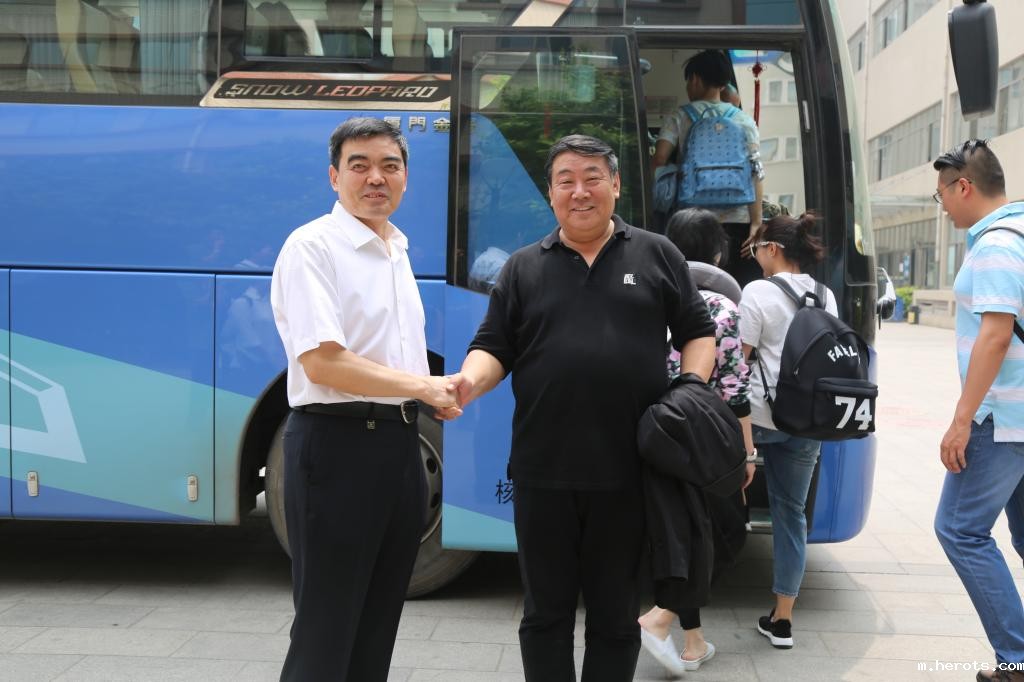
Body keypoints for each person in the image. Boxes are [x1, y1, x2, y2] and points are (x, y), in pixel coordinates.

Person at [440, 135, 717, 681]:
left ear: (616, 184)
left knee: (615, 616)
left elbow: (698, 331)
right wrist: (467, 382)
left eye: (592, 178)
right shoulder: (523, 267)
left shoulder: (657, 254)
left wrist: (689, 390)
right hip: (543, 470)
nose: (579, 191)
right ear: (550, 194)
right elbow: (493, 346)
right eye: (565, 180)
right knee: (545, 613)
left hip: (630, 469)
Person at [269, 117, 459, 682]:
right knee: (325, 632)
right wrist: (421, 386)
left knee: (376, 628)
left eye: (390, 166)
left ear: (406, 177)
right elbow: (322, 362)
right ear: (334, 177)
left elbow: (391, 355)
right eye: (360, 166)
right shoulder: (313, 247)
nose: (376, 178)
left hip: (398, 448)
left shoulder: (395, 249)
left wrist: (430, 394)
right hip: (337, 449)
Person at [638, 207, 756, 676]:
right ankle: (659, 616)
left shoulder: (647, 294)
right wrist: (747, 454)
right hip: (700, 438)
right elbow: (734, 389)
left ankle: (694, 641)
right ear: (718, 254)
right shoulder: (722, 308)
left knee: (682, 533)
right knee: (724, 535)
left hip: (650, 432)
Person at [930, 139, 1024, 682]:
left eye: (942, 192)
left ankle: (1017, 659)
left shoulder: (996, 244)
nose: (942, 204)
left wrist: (962, 419)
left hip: (1001, 416)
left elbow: (996, 334)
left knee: (960, 530)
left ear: (963, 186)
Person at [738, 212, 837, 650]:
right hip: (808, 419)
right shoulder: (825, 294)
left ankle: (686, 604)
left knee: (723, 498)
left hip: (760, 417)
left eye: (758, 248)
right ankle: (782, 619)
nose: (755, 255)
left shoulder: (757, 291)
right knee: (791, 513)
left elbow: (740, 358)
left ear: (773, 249)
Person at [652, 49, 765, 288]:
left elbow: (659, 159)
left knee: (691, 285)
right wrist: (756, 222)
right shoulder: (744, 120)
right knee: (732, 285)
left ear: (694, 79)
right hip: (738, 219)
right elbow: (756, 170)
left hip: (692, 220)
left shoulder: (680, 116)